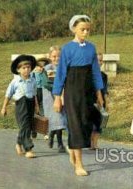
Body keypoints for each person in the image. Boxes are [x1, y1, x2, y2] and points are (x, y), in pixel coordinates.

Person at [52, 15, 104, 176]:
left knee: (84, 125)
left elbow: (95, 72)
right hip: (72, 92)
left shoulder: (91, 48)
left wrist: (99, 93)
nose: (86, 32)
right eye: (83, 29)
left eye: (88, 29)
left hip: (88, 92)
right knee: (75, 126)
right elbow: (60, 74)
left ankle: (74, 151)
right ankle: (79, 164)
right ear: (74, 29)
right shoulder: (67, 49)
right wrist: (57, 97)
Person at [1, 55, 39, 158]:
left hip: (30, 103)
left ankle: (18, 143)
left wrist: (36, 106)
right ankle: (28, 149)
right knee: (25, 125)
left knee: (28, 126)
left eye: (28, 67)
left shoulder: (33, 81)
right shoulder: (15, 82)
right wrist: (4, 107)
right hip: (21, 105)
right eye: (24, 68)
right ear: (18, 70)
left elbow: (35, 94)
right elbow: (8, 95)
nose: (27, 70)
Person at [42, 46, 67, 153]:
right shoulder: (47, 68)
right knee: (55, 117)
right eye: (54, 56)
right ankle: (59, 142)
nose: (57, 58)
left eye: (59, 56)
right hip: (50, 97)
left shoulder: (64, 68)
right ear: (50, 56)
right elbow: (48, 83)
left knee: (60, 118)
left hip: (62, 96)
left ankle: (53, 135)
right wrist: (60, 88)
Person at [90, 52, 109, 150]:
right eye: (97, 60)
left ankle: (95, 144)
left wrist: (106, 102)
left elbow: (105, 90)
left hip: (101, 102)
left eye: (101, 60)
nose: (99, 62)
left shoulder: (104, 75)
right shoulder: (89, 74)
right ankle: (90, 142)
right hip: (91, 101)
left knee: (99, 123)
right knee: (91, 123)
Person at [30, 57, 49, 139]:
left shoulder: (45, 74)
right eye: (39, 67)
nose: (41, 68)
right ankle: (33, 131)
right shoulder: (32, 74)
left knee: (43, 113)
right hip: (35, 93)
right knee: (35, 114)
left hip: (43, 92)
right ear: (36, 67)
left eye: (42, 67)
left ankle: (45, 132)